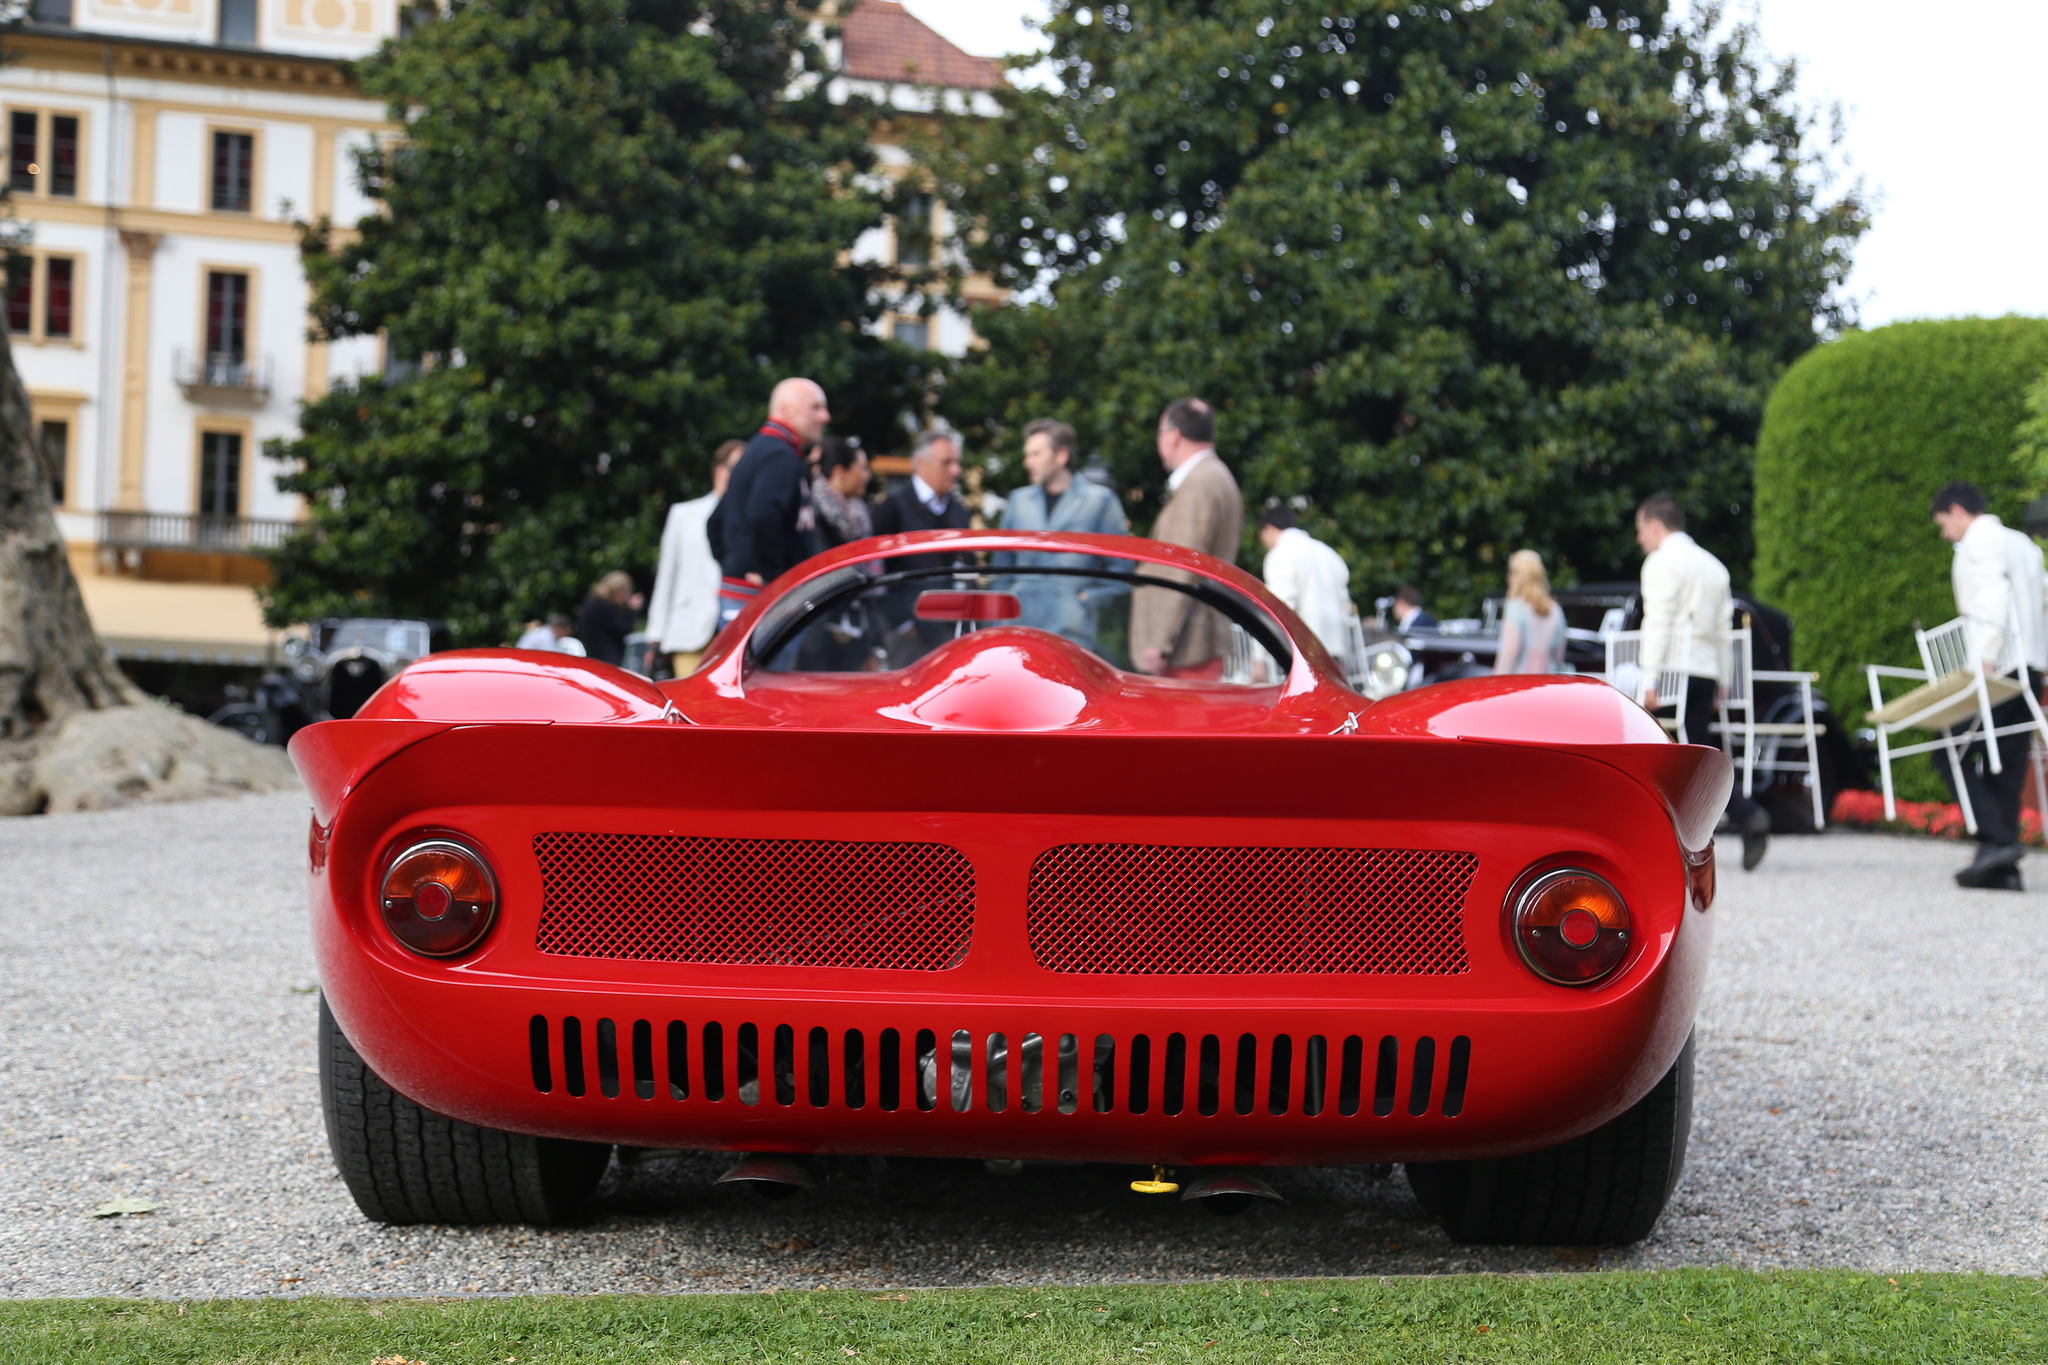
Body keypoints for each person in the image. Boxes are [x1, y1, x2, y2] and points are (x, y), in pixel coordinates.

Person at [1635, 492, 1769, 870]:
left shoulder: (1661, 562)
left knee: (1666, 758)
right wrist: (1724, 679)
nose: (1640, 539)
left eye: (1641, 530)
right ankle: (1737, 817)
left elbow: (1658, 621)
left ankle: (1675, 840)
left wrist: (1650, 677)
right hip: (1707, 670)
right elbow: (1725, 631)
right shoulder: (1714, 566)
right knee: (1694, 754)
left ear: (1656, 525)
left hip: (1675, 672)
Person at [1929, 480, 2048, 888]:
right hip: (2030, 666)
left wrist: (1985, 657)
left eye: (1944, 524)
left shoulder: (1979, 543)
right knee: (2009, 765)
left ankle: (1997, 841)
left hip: (1996, 668)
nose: (1946, 534)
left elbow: (1993, 599)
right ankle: (2002, 868)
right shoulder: (2024, 545)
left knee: (1948, 747)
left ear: (1958, 510)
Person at [1131, 396, 1243, 678]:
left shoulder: (1199, 484)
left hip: (1188, 649)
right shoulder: (1215, 476)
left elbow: (1180, 568)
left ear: (1175, 436)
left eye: (1159, 433)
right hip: (1196, 641)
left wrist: (1159, 642)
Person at [995, 418, 1131, 649]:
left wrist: (1088, 600)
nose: (1028, 462)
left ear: (1061, 456)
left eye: (1036, 454)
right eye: (1027, 454)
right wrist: (999, 619)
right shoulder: (1018, 501)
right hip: (1020, 630)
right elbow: (1000, 569)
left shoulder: (1099, 500)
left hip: (1072, 633)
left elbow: (1122, 571)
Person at [709, 377, 831, 629]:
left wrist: (736, 565)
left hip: (743, 595)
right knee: (771, 669)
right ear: (785, 410)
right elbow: (763, 516)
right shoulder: (780, 455)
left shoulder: (759, 449)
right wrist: (771, 576)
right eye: (815, 407)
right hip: (765, 603)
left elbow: (715, 522)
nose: (825, 417)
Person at [871, 429, 973, 661]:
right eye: (946, 462)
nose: (956, 470)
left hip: (952, 634)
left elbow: (967, 568)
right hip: (910, 638)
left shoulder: (958, 511)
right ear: (920, 462)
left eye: (957, 463)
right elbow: (875, 572)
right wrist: (901, 623)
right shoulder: (893, 508)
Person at [647, 439, 742, 677]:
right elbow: (667, 577)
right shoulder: (684, 514)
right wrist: (655, 637)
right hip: (690, 630)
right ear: (721, 471)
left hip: (737, 634)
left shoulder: (752, 517)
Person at [1257, 504, 1352, 658]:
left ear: (1268, 529)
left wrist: (1259, 657)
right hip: (1336, 652)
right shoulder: (1328, 553)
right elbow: (1345, 607)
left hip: (1304, 653)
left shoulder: (1280, 555)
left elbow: (1279, 607)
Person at [1493, 550, 1568, 675]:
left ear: (1518, 576)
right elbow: (1559, 657)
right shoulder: (1556, 610)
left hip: (1521, 686)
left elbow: (1509, 655)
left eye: (1511, 573)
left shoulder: (1516, 608)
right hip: (1548, 684)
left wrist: (1495, 681)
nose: (1508, 578)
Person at [810, 437, 873, 550]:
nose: (868, 475)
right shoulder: (814, 516)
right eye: (863, 468)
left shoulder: (857, 510)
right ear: (840, 472)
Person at [576, 571, 642, 668]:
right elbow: (625, 627)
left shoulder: (593, 604)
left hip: (595, 657)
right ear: (619, 591)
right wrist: (633, 610)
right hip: (606, 660)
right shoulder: (602, 607)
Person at [515, 613, 587, 656]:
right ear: (557, 627)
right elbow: (549, 656)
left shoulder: (544, 633)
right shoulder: (546, 636)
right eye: (566, 631)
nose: (566, 634)